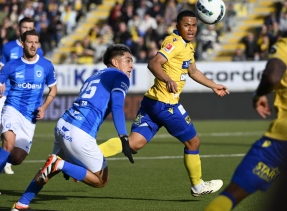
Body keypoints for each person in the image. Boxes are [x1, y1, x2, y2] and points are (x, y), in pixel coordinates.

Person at [99, 10, 230, 197]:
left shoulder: (187, 46)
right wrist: (168, 79)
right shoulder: (175, 43)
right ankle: (197, 185)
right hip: (166, 104)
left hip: (153, 102)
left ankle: (89, 153)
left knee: (134, 144)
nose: (191, 29)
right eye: (186, 25)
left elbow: (193, 72)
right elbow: (154, 63)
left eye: (194, 25)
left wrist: (214, 86)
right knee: (193, 142)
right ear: (178, 26)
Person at [10, 44, 134, 211]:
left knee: (50, 170)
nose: (131, 66)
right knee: (101, 180)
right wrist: (123, 137)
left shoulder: (94, 76)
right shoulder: (120, 77)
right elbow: (118, 106)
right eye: (128, 60)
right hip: (80, 132)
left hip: (64, 125)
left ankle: (22, 203)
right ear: (115, 62)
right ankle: (60, 164)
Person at [196, 37, 287, 211]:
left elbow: (272, 76)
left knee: (233, 193)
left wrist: (259, 94)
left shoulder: (284, 45)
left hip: (281, 140)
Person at [0, 29, 57, 195]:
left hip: (30, 116)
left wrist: (44, 107)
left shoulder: (46, 65)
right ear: (23, 43)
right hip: (12, 108)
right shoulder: (12, 65)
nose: (33, 45)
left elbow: (53, 90)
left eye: (36, 42)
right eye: (30, 42)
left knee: (16, 158)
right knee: (9, 144)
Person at [0, 17, 43, 175]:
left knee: (14, 142)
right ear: (19, 29)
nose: (27, 29)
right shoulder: (8, 47)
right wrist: (0, 80)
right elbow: (1, 66)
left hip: (22, 99)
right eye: (24, 27)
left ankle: (4, 158)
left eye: (30, 27)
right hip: (5, 93)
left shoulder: (37, 49)